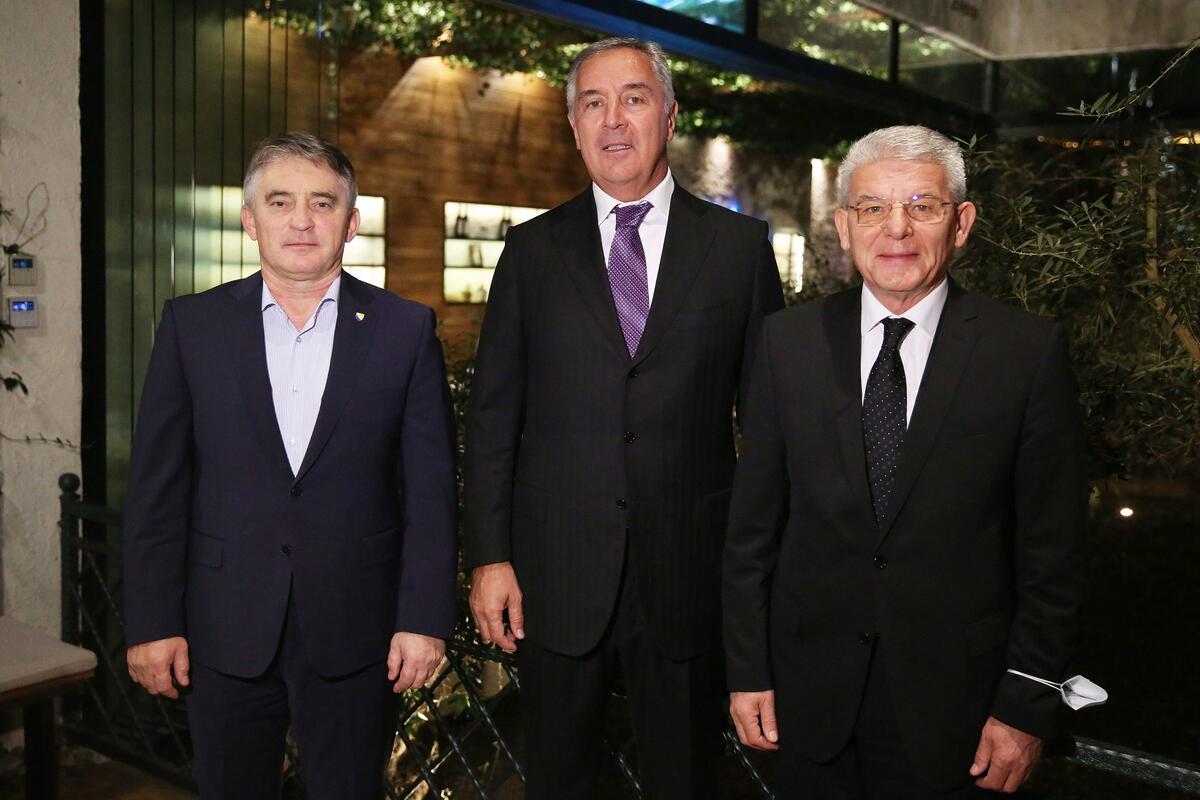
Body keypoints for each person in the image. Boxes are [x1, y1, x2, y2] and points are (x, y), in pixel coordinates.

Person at [723, 125, 1087, 798]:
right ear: (844, 226)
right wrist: (747, 670)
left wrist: (1027, 704)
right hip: (808, 700)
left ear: (962, 223)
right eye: (873, 207)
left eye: (922, 206)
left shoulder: (1025, 354)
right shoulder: (786, 343)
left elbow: (1054, 553)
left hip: (962, 712)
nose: (896, 228)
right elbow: (752, 531)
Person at [464, 36, 785, 799]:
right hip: (555, 578)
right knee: (557, 780)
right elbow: (493, 419)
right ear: (574, 126)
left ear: (668, 116)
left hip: (690, 576)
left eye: (633, 99)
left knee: (684, 780)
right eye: (593, 103)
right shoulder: (530, 252)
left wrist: (761, 578)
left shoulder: (738, 250)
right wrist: (490, 557)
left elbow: (771, 429)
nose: (613, 119)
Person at [122, 132, 457, 799]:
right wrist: (154, 623)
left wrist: (424, 619)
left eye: (322, 203)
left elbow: (430, 494)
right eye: (280, 202)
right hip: (222, 627)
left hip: (357, 631)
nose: (301, 220)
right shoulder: (192, 327)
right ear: (251, 220)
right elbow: (157, 491)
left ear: (350, 222)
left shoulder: (404, 331)